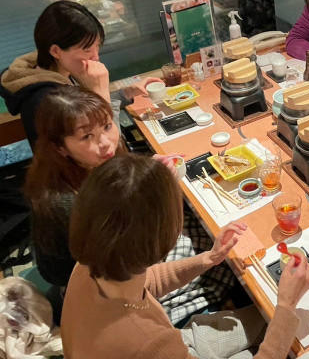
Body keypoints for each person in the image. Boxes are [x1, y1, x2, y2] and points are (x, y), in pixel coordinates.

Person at [61, 153, 309, 358]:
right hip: (169, 346)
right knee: (296, 333)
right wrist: (286, 304)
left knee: (265, 318)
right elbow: (154, 346)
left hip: (166, 340)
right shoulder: (148, 343)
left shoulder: (91, 261)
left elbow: (146, 280)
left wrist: (209, 258)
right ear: (166, 232)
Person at [24, 86, 238, 324]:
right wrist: (156, 188)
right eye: (86, 137)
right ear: (60, 147)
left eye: (107, 126)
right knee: (216, 261)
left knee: (200, 228)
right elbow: (120, 266)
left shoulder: (89, 164)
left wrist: (145, 171)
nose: (105, 143)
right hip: (98, 289)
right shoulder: (66, 203)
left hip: (115, 255)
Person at [0, 0, 158, 147]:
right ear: (56, 51)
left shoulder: (62, 71)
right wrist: (100, 91)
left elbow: (86, 112)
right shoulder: (48, 101)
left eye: (97, 46)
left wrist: (127, 93)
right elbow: (108, 147)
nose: (96, 57)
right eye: (87, 49)